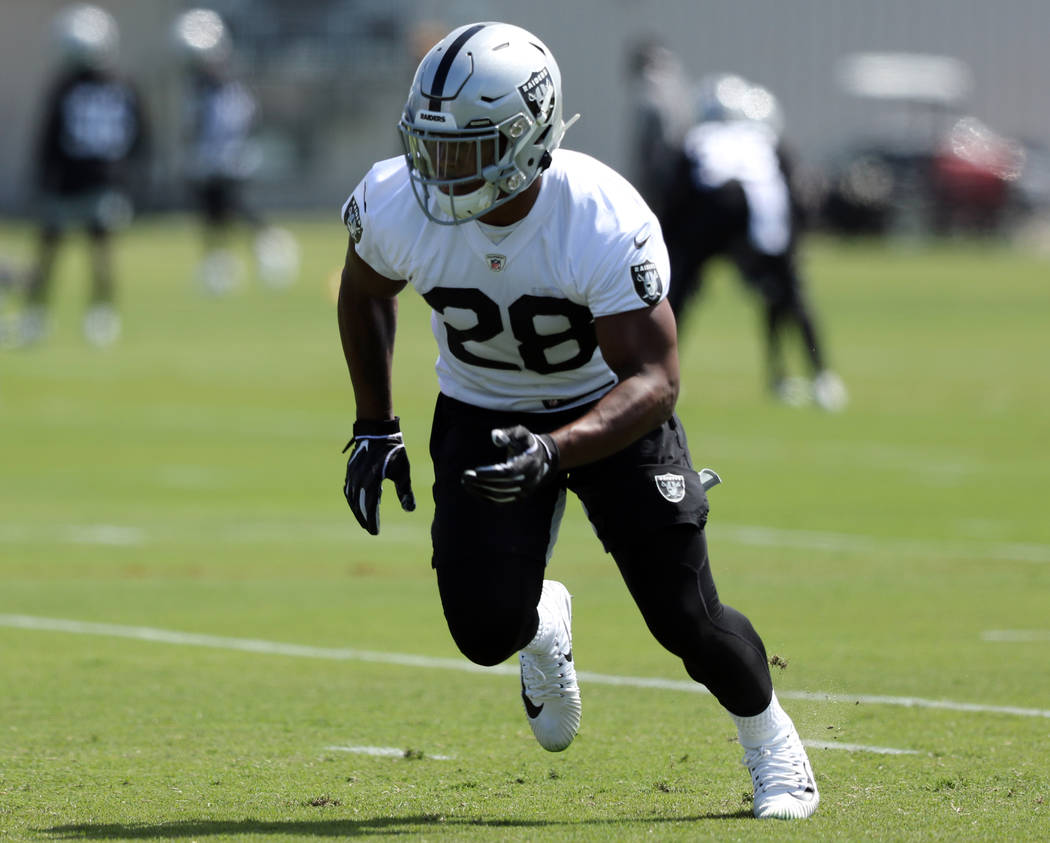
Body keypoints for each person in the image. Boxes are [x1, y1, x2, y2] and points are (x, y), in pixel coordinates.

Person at [336, 22, 819, 820]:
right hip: (482, 404)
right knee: (485, 629)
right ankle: (541, 620)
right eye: (431, 145)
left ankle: (774, 747)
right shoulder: (395, 199)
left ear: (527, 139)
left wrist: (558, 449)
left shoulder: (596, 213)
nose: (438, 169)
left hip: (607, 409)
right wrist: (374, 422)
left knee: (685, 617)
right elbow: (364, 292)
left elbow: (658, 380)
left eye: (466, 148)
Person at [661, 73, 847, 410]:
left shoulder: (695, 140)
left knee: (676, 299)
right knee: (788, 296)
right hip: (761, 219)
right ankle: (821, 378)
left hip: (708, 215)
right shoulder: (767, 140)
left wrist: (673, 246)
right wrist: (792, 242)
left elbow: (674, 197)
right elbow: (794, 194)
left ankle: (661, 374)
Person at [20, 3, 147, 347]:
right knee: (100, 251)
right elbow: (139, 138)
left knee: (52, 252)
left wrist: (40, 179)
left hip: (68, 182)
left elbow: (47, 139)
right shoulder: (124, 85)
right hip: (106, 182)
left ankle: (37, 317)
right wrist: (129, 178)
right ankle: (99, 318)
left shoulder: (65, 87)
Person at [172, 7, 298, 294]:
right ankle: (218, 267)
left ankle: (271, 248)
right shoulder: (201, 88)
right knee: (212, 218)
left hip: (226, 162)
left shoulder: (228, 90)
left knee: (235, 211)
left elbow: (239, 121)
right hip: (208, 162)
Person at [625, 37, 694, 219]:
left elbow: (654, 152)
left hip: (666, 185)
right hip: (680, 182)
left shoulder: (652, 99)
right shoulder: (680, 91)